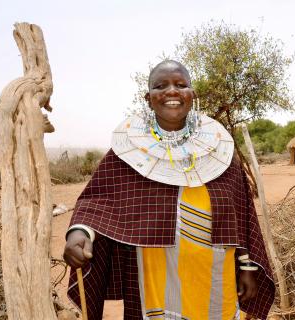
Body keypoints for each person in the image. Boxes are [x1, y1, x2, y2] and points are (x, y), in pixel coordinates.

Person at [63, 60, 275, 320]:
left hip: (214, 274)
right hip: (150, 276)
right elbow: (96, 202)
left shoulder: (221, 150)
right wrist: (79, 233)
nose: (172, 91)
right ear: (148, 98)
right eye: (160, 86)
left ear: (192, 95)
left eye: (181, 85)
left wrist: (246, 266)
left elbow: (240, 215)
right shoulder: (127, 153)